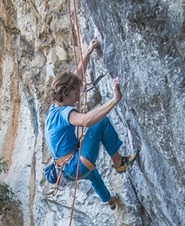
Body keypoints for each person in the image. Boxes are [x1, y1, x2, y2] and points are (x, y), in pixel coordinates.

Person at [45, 37, 137, 209]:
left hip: (66, 171)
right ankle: (119, 162)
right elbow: (86, 121)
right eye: (74, 94)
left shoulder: (53, 110)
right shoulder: (65, 112)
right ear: (65, 93)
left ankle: (109, 201)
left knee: (92, 174)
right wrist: (114, 100)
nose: (77, 98)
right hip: (74, 164)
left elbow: (76, 77)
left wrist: (88, 52)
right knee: (100, 122)